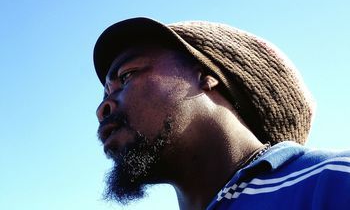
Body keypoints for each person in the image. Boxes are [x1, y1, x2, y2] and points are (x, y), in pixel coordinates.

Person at [93, 17, 350, 210]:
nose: (102, 108)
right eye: (105, 94)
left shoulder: (333, 180)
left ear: (207, 76)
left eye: (126, 76)